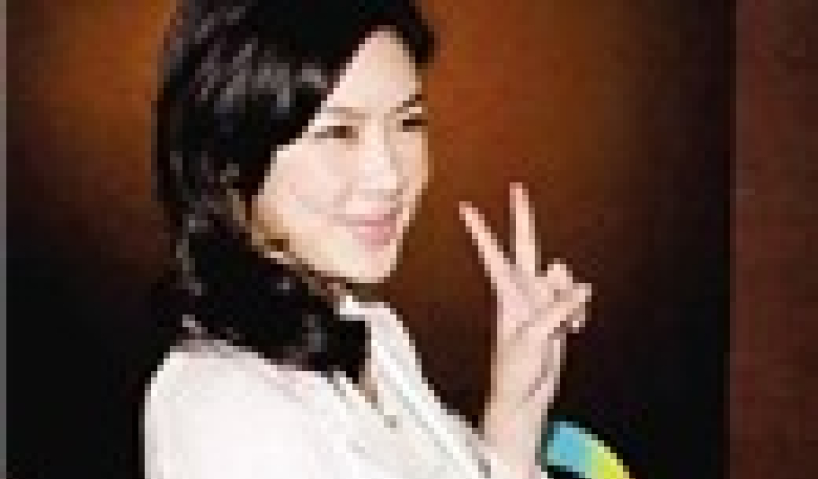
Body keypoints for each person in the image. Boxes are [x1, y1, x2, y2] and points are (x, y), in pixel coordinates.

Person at [144, 1, 593, 478]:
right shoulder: (227, 409)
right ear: (227, 158)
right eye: (339, 132)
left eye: (408, 122)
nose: (389, 176)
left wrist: (515, 414)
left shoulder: (370, 329)